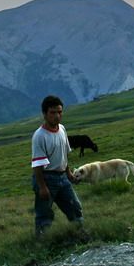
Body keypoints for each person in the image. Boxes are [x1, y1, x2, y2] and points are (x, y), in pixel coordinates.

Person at [31, 95, 84, 237]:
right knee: (44, 214)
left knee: (75, 207)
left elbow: (64, 154)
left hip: (62, 177)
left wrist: (69, 174)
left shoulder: (62, 129)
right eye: (53, 113)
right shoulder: (39, 136)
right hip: (46, 178)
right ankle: (43, 243)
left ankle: (80, 235)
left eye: (60, 112)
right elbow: (37, 165)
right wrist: (42, 187)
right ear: (45, 114)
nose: (57, 116)